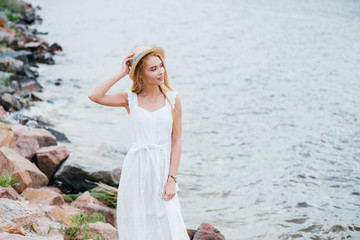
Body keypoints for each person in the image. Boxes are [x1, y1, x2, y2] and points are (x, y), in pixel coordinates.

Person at [88, 46, 190, 240]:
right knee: (138, 222)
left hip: (162, 169)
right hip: (136, 169)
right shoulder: (130, 100)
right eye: (153, 68)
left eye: (161, 66)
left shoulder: (173, 99)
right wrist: (121, 73)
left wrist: (172, 179)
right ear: (140, 73)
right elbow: (94, 96)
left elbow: (176, 140)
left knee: (169, 220)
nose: (161, 71)